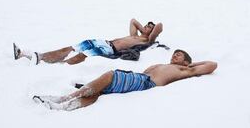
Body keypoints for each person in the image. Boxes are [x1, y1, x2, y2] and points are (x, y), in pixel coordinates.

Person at [33, 49, 217, 111]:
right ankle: (64, 108)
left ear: (186, 61)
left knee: (110, 75)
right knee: (99, 91)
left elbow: (212, 65)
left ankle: (63, 99)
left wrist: (191, 64)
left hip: (146, 82)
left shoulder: (185, 69)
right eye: (174, 54)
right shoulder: (166, 64)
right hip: (140, 78)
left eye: (179, 55)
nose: (175, 56)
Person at [14, 19, 163, 65]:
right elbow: (133, 20)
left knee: (81, 56)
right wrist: (144, 28)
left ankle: (54, 66)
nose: (147, 28)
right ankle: (37, 57)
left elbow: (160, 26)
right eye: (147, 25)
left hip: (109, 50)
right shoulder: (135, 34)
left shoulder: (147, 40)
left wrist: (149, 31)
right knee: (71, 48)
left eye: (150, 27)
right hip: (103, 42)